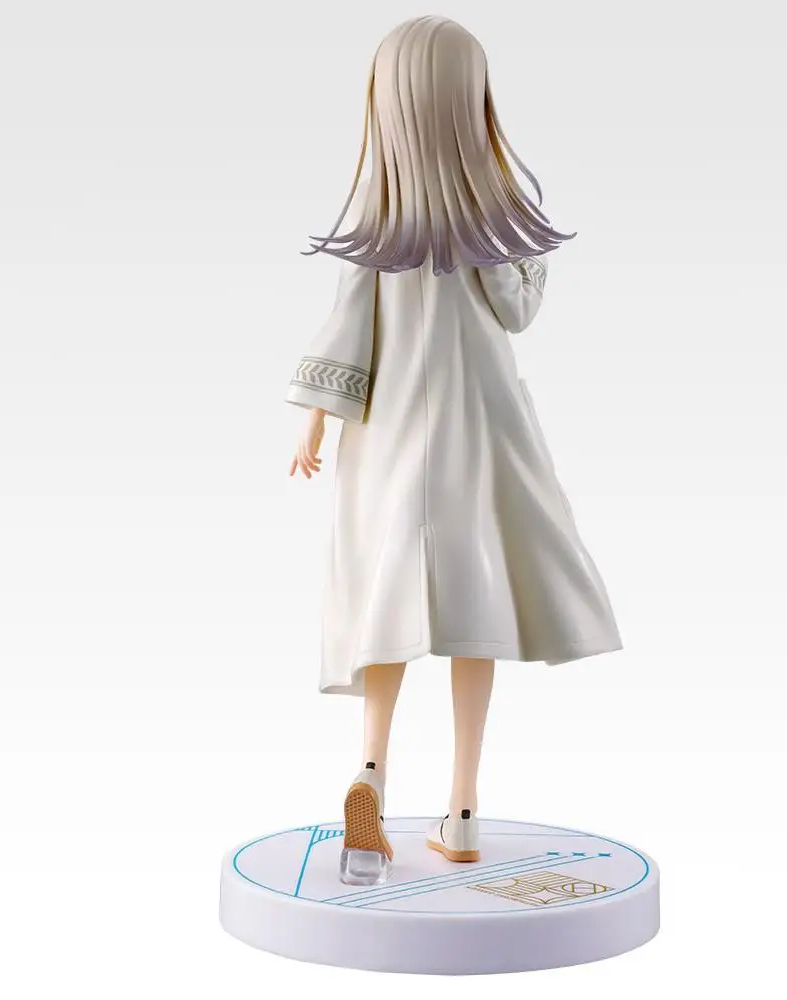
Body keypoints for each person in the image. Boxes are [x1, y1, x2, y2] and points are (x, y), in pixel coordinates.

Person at [286, 15, 622, 876]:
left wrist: (316, 418)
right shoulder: (492, 219)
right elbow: (518, 310)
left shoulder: (381, 221)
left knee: (386, 597)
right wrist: (512, 231)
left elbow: (347, 323)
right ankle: (463, 810)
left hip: (391, 432)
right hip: (481, 430)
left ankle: (370, 769)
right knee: (480, 600)